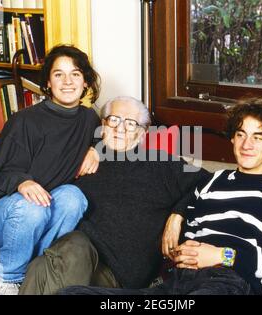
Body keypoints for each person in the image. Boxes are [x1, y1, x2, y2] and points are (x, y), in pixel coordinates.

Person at [59, 98, 262, 295]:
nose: (246, 144)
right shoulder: (210, 182)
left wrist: (223, 255)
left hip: (228, 283)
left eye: (258, 137)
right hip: (178, 285)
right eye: (240, 134)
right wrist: (176, 215)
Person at [13, 96, 209, 294]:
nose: (120, 128)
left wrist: (178, 214)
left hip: (115, 277)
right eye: (114, 119)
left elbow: (208, 181)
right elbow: (31, 176)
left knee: (72, 249)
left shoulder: (161, 164)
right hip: (68, 258)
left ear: (142, 132)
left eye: (131, 123)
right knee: (42, 265)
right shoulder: (81, 160)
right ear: (103, 124)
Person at [0, 44, 102, 295]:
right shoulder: (24, 120)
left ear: (85, 82)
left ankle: (37, 261)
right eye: (59, 74)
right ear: (48, 83)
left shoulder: (89, 119)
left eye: (75, 74)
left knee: (74, 197)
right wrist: (22, 182)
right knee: (31, 205)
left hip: (42, 216)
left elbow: (119, 135)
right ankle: (9, 278)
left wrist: (97, 149)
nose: (68, 81)